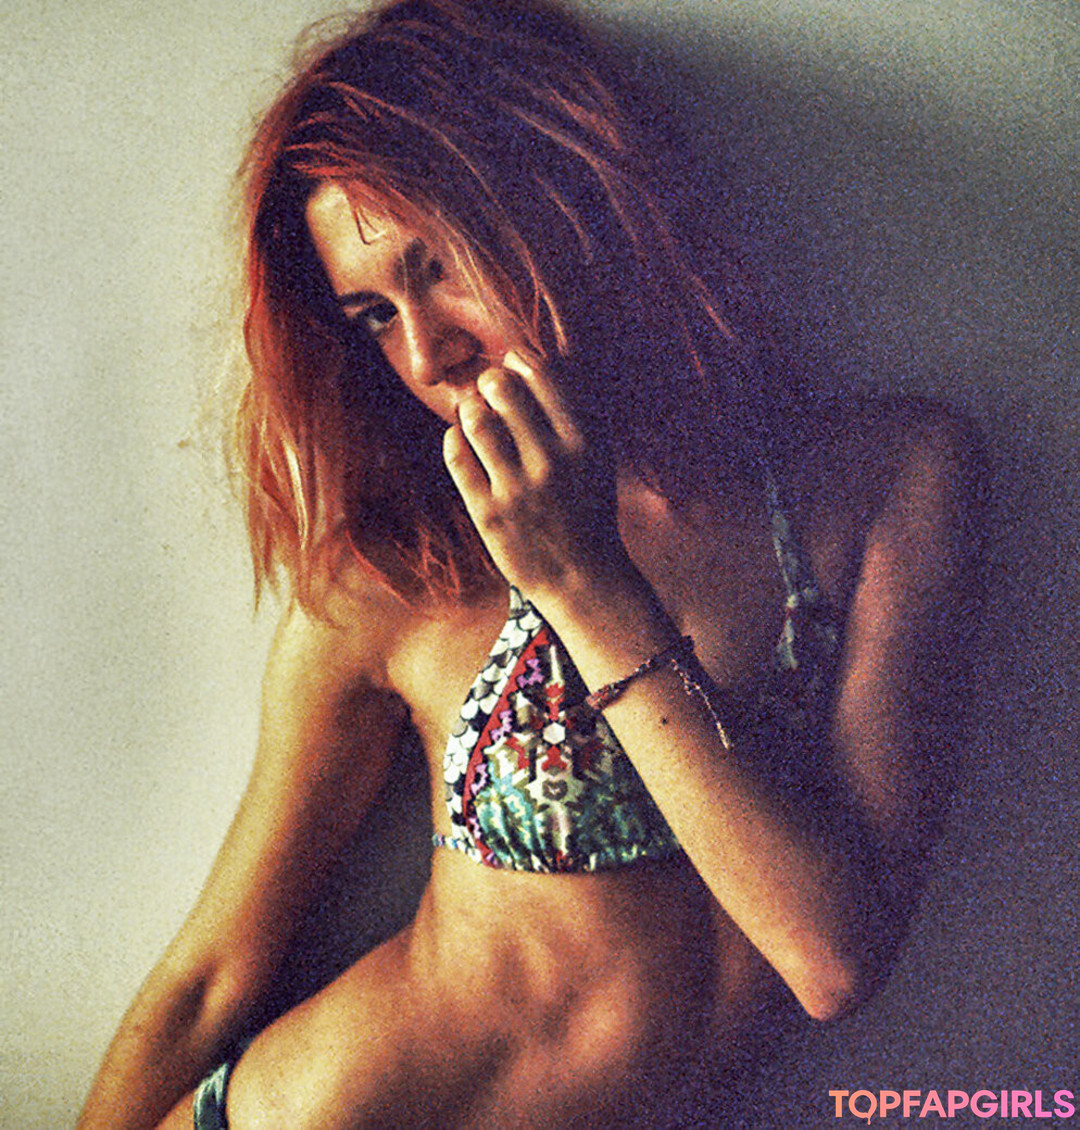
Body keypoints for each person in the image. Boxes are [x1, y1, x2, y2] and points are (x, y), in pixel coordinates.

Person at [78, 0, 984, 1126]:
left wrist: (582, 584)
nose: (427, 352)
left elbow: (832, 957)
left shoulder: (889, 480)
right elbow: (210, 978)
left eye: (438, 268)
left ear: (565, 205)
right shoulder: (397, 573)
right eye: (373, 315)